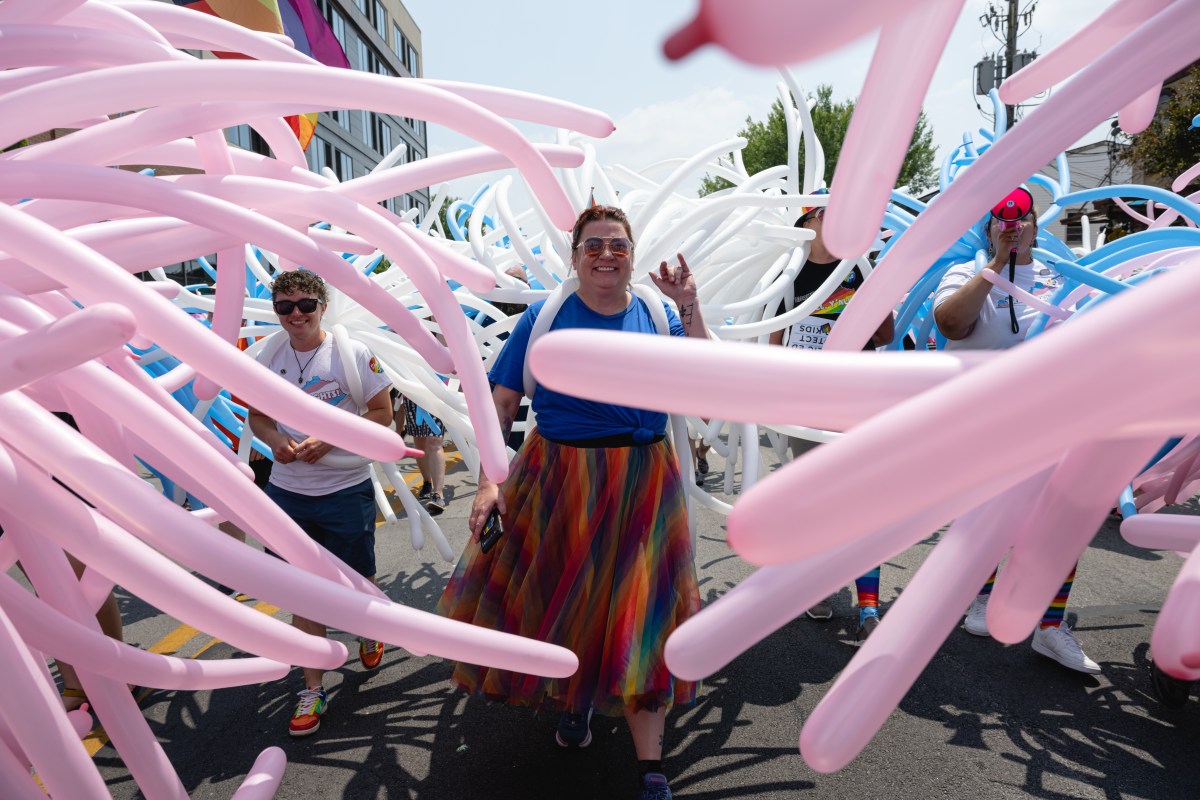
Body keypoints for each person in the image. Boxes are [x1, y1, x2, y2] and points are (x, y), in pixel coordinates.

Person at [436, 205, 706, 800]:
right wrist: (488, 481)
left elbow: (709, 387)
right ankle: (576, 700)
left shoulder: (660, 315)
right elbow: (502, 405)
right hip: (556, 477)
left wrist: (689, 304)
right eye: (593, 245)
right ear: (574, 254)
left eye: (617, 244)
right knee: (565, 599)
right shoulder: (545, 317)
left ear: (632, 253)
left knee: (643, 612)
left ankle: (649, 769)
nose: (605, 254)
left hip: (641, 480)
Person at [933, 193, 1100, 674]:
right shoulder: (967, 270)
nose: (1012, 224)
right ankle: (980, 599)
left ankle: (1050, 627)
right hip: (985, 419)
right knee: (988, 516)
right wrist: (997, 264)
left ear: (1035, 225)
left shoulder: (1061, 274)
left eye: (1021, 216)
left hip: (1052, 420)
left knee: (1064, 522)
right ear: (987, 229)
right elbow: (952, 324)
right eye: (1001, 219)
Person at [247, 270, 395, 736]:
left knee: (356, 578)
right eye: (285, 306)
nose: (295, 314)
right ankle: (313, 685)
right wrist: (275, 443)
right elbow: (258, 417)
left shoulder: (351, 355)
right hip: (289, 492)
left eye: (305, 304)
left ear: (323, 306)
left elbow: (382, 413)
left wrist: (326, 439)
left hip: (345, 488)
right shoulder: (267, 357)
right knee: (301, 588)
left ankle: (368, 628)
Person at [767, 200, 894, 645]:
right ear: (805, 224)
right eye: (823, 213)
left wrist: (870, 299)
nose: (835, 218)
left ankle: (869, 604)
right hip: (805, 402)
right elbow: (775, 343)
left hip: (855, 397)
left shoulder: (858, 269)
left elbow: (885, 336)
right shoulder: (787, 274)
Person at [400, 395, 448, 515]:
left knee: (434, 441)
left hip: (433, 392)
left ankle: (438, 494)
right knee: (420, 442)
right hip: (411, 395)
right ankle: (427, 482)